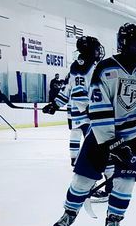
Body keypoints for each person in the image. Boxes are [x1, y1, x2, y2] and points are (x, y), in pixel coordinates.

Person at [50, 23, 136, 226]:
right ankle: (69, 213)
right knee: (83, 179)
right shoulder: (105, 69)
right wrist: (111, 143)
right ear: (124, 44)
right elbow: (99, 107)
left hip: (134, 136)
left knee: (125, 183)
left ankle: (113, 221)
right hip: (101, 136)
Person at [42, 36, 104, 166]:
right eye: (96, 49)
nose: (98, 52)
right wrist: (93, 107)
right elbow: (95, 90)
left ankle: (74, 158)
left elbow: (67, 89)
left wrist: (55, 104)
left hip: (75, 110)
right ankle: (91, 162)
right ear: (90, 51)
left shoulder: (73, 68)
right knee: (93, 136)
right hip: (90, 109)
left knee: (75, 133)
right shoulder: (95, 68)